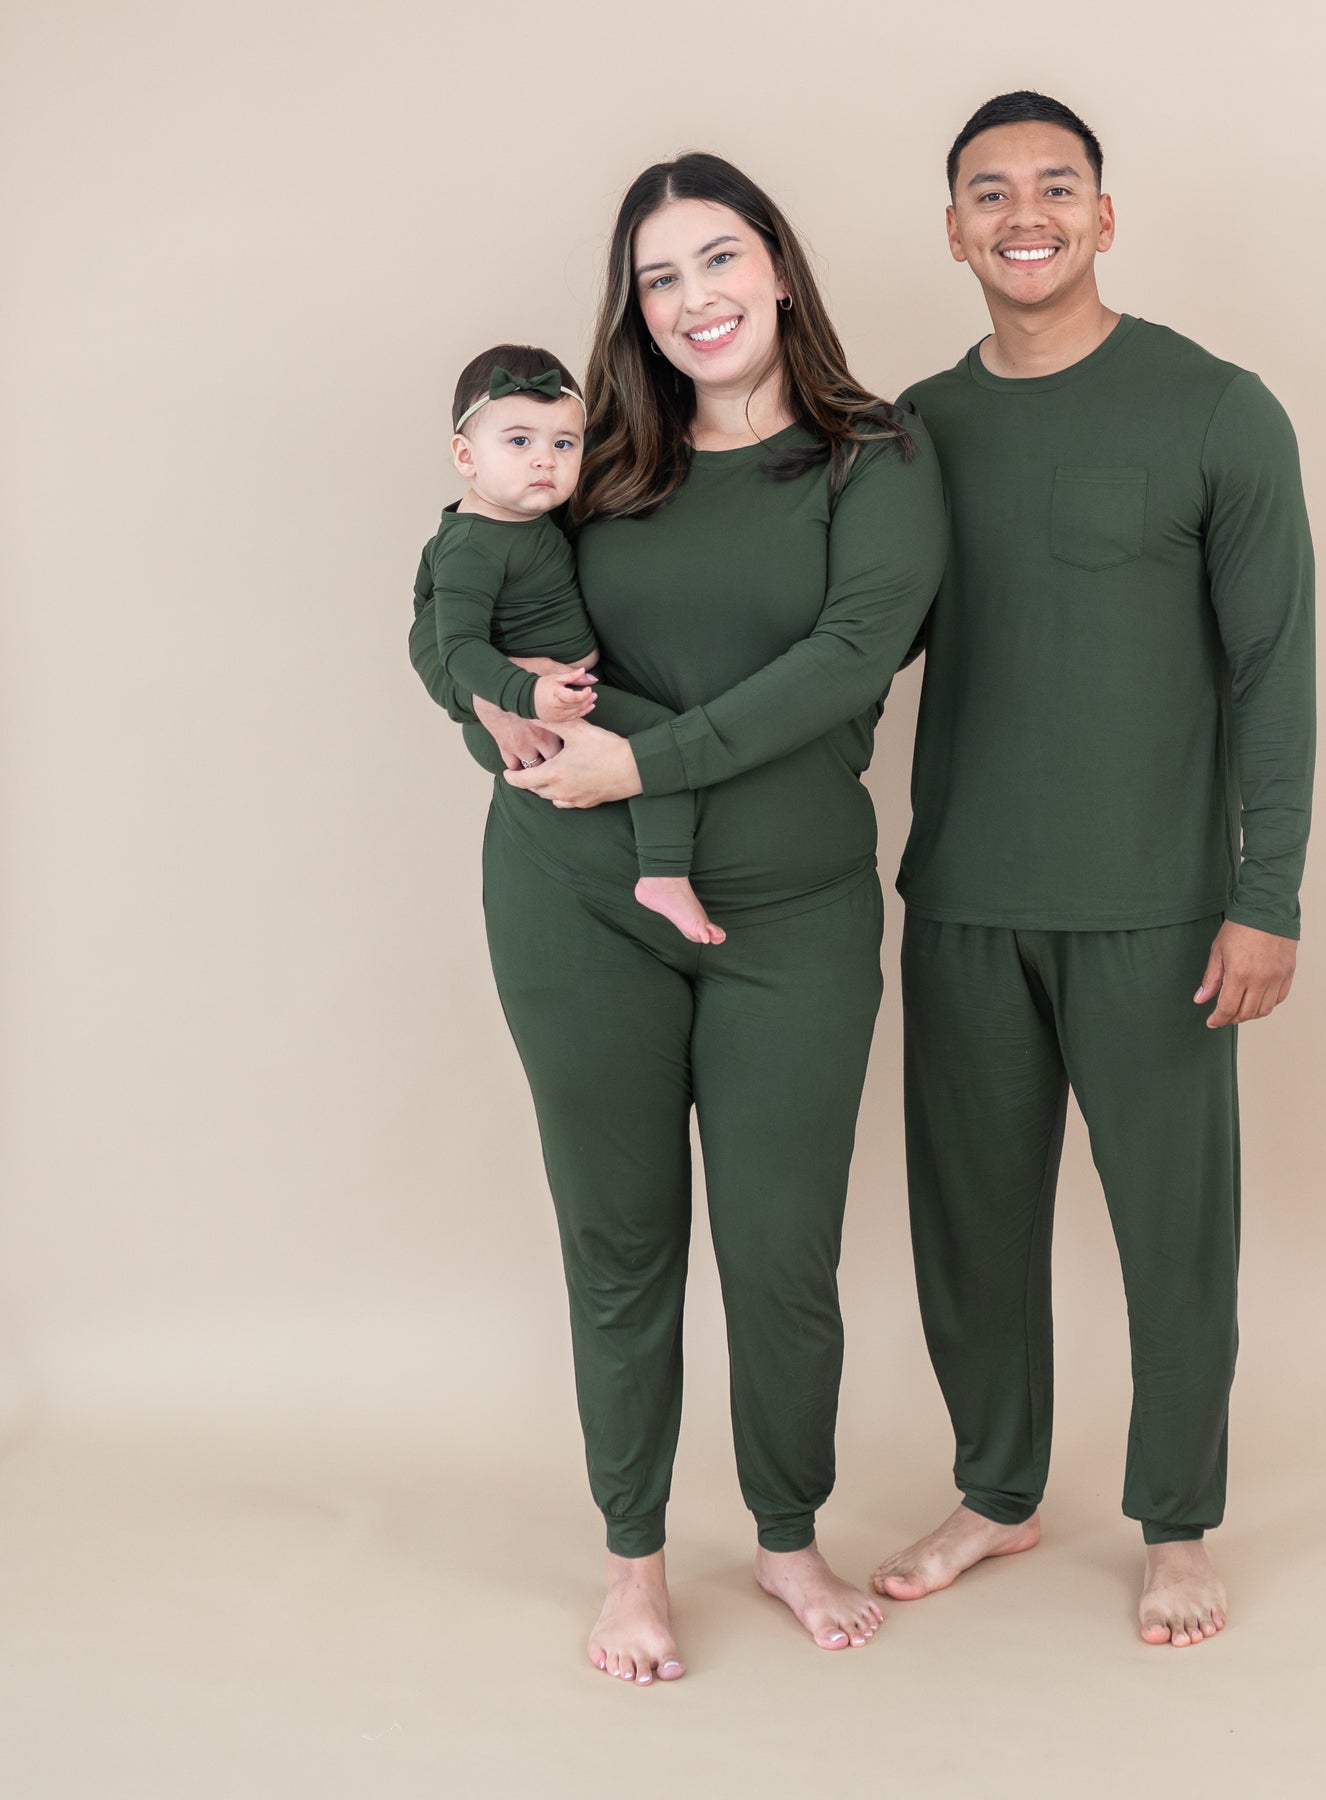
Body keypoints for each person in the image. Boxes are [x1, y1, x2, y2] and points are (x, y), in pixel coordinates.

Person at [408, 153, 947, 1684]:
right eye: (659, 276)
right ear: (631, 308)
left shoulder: (876, 454)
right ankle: (633, 1563)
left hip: (795, 914)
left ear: (778, 266)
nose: (695, 299)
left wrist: (642, 758)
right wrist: (505, 733)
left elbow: (853, 659)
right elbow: (467, 623)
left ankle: (786, 1537)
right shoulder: (592, 463)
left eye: (719, 259)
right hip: (578, 906)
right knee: (622, 1245)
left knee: (783, 1251)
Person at [871, 92, 1317, 1651]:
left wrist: (1270, 893)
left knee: (1174, 1236)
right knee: (970, 1230)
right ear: (954, 230)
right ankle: (999, 1493)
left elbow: (1276, 669)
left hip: (1161, 913)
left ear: (1104, 216)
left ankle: (1177, 1526)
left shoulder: (1217, 410)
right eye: (989, 191)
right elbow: (847, 652)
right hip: (964, 904)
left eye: (1055, 185)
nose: (1024, 212)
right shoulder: (914, 431)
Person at [415, 344, 719, 944]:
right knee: (662, 742)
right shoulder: (471, 547)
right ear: (465, 456)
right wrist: (524, 697)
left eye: (564, 443)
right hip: (536, 701)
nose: (545, 462)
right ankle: (663, 874)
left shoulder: (535, 517)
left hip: (561, 688)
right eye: (519, 441)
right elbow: (457, 646)